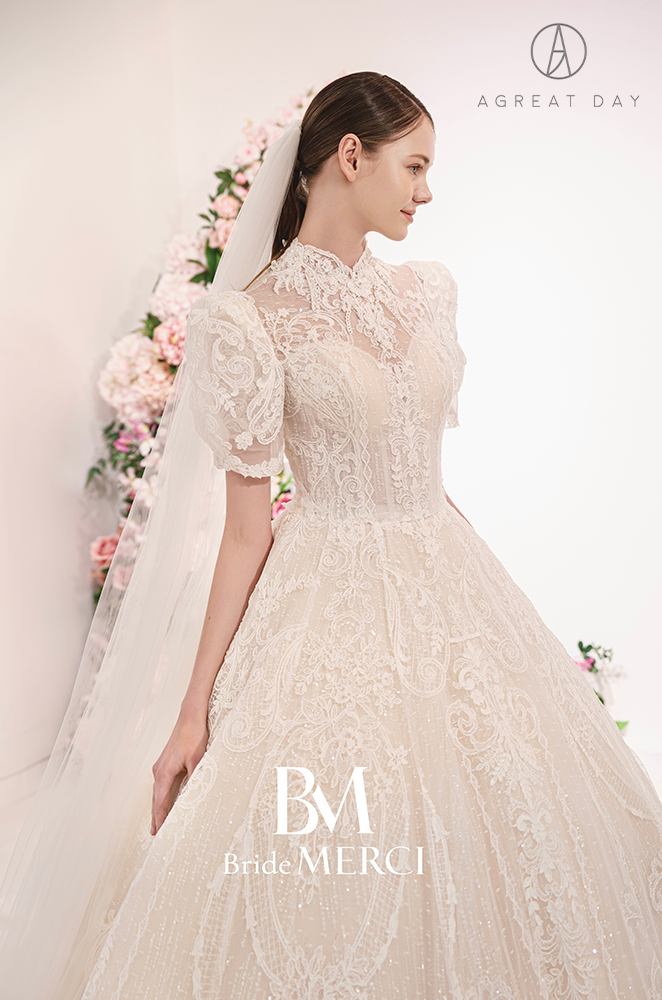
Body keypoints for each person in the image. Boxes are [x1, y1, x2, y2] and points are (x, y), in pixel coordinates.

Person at [2, 71, 662, 1000]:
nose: (427, 192)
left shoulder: (425, 293)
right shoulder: (249, 320)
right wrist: (192, 714)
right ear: (351, 157)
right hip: (326, 592)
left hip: (448, 572)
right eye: (415, 166)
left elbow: (419, 469)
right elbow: (244, 535)